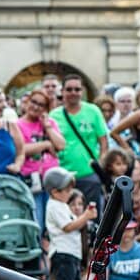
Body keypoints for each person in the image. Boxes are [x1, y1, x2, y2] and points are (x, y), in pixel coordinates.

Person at [50, 74, 109, 208]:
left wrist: (99, 165)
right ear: (62, 92)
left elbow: (104, 142)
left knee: (92, 218)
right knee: (66, 219)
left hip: (89, 174)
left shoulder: (93, 111)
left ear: (82, 91)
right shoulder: (54, 115)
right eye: (69, 89)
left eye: (77, 89)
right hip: (63, 176)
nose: (73, 93)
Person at [17, 88, 64, 229]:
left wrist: (47, 127)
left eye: (41, 105)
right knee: (37, 220)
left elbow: (61, 145)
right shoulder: (18, 125)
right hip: (32, 180)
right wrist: (46, 144)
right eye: (33, 102)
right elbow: (20, 149)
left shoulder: (49, 123)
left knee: (53, 220)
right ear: (27, 102)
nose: (36, 107)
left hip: (52, 180)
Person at [44, 167, 97, 280]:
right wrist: (86, 216)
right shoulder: (55, 206)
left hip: (71, 254)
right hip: (63, 254)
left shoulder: (62, 205)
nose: (70, 192)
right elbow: (68, 227)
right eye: (67, 190)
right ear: (55, 192)